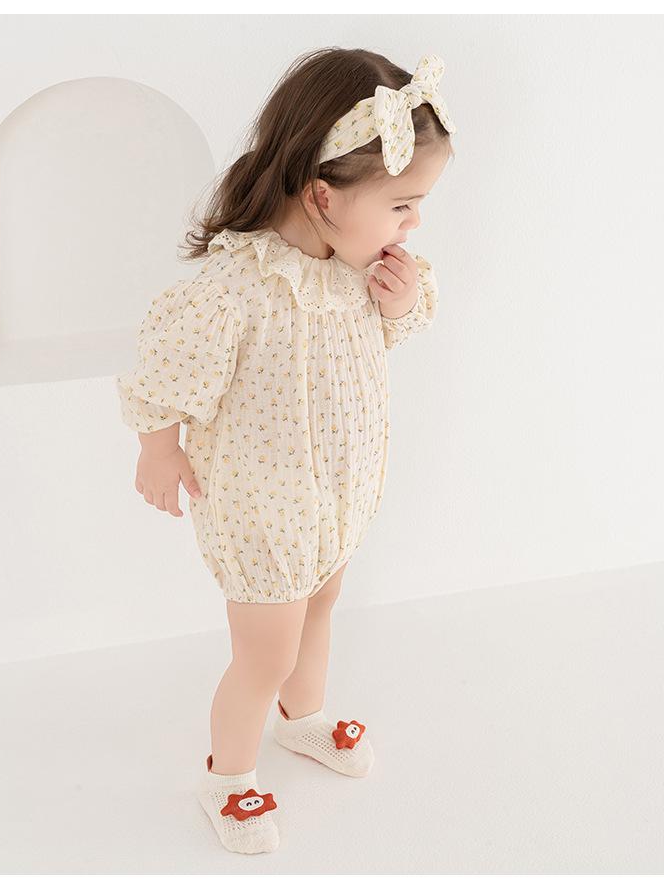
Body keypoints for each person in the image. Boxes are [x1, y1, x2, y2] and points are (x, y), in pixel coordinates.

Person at [115, 46, 456, 854]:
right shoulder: (238, 288)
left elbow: (392, 330)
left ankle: (303, 719)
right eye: (403, 205)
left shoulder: (355, 269)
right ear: (322, 196)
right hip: (264, 510)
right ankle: (228, 777)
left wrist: (400, 302)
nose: (413, 224)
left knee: (323, 606)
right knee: (264, 653)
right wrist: (158, 447)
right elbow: (164, 369)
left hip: (336, 496)